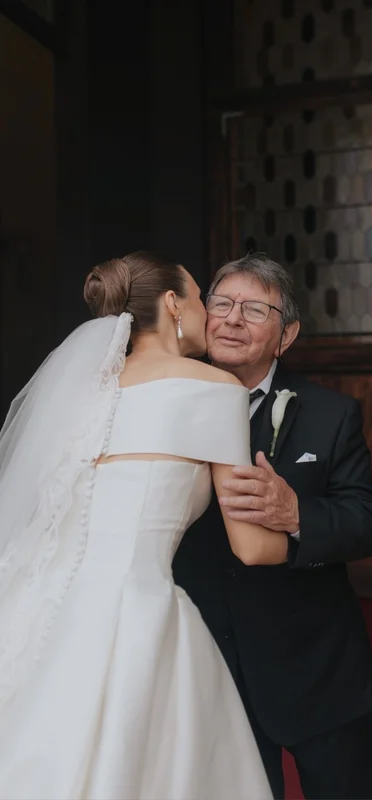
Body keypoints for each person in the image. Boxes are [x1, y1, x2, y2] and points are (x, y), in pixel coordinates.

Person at [0, 250, 280, 800]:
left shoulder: (87, 391)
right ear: (174, 304)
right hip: (137, 608)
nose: (211, 313)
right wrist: (289, 511)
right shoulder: (215, 388)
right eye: (203, 297)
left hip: (41, 601)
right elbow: (252, 548)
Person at [173, 253, 372, 800]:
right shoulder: (165, 407)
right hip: (204, 661)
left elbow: (367, 521)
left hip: (313, 661)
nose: (232, 319)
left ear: (286, 334)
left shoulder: (329, 413)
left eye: (254, 308)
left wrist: (297, 514)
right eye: (220, 303)